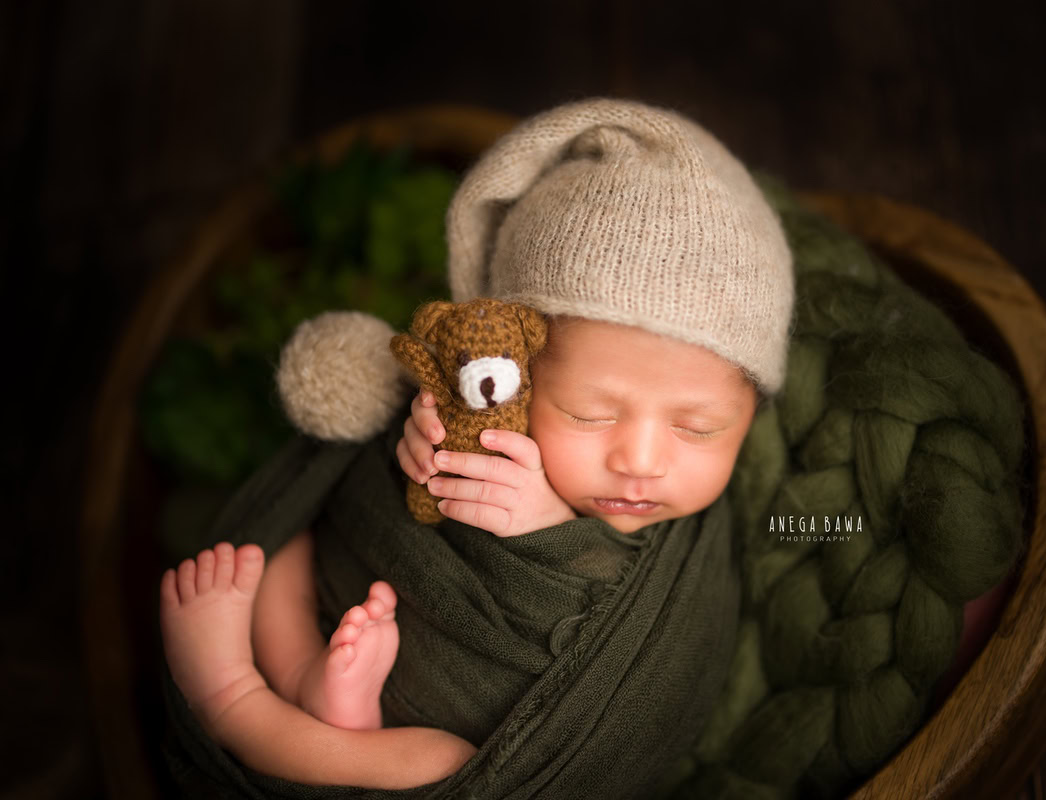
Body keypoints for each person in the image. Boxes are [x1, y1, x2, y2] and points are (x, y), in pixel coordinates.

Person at [159, 96, 795, 791]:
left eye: (697, 427)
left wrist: (551, 528)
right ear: (516, 369)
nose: (640, 461)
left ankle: (232, 699)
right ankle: (302, 677)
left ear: (751, 411)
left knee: (446, 766)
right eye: (588, 414)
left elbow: (650, 676)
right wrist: (426, 447)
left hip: (449, 741)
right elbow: (375, 484)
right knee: (280, 549)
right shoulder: (481, 403)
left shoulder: (702, 558)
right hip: (351, 607)